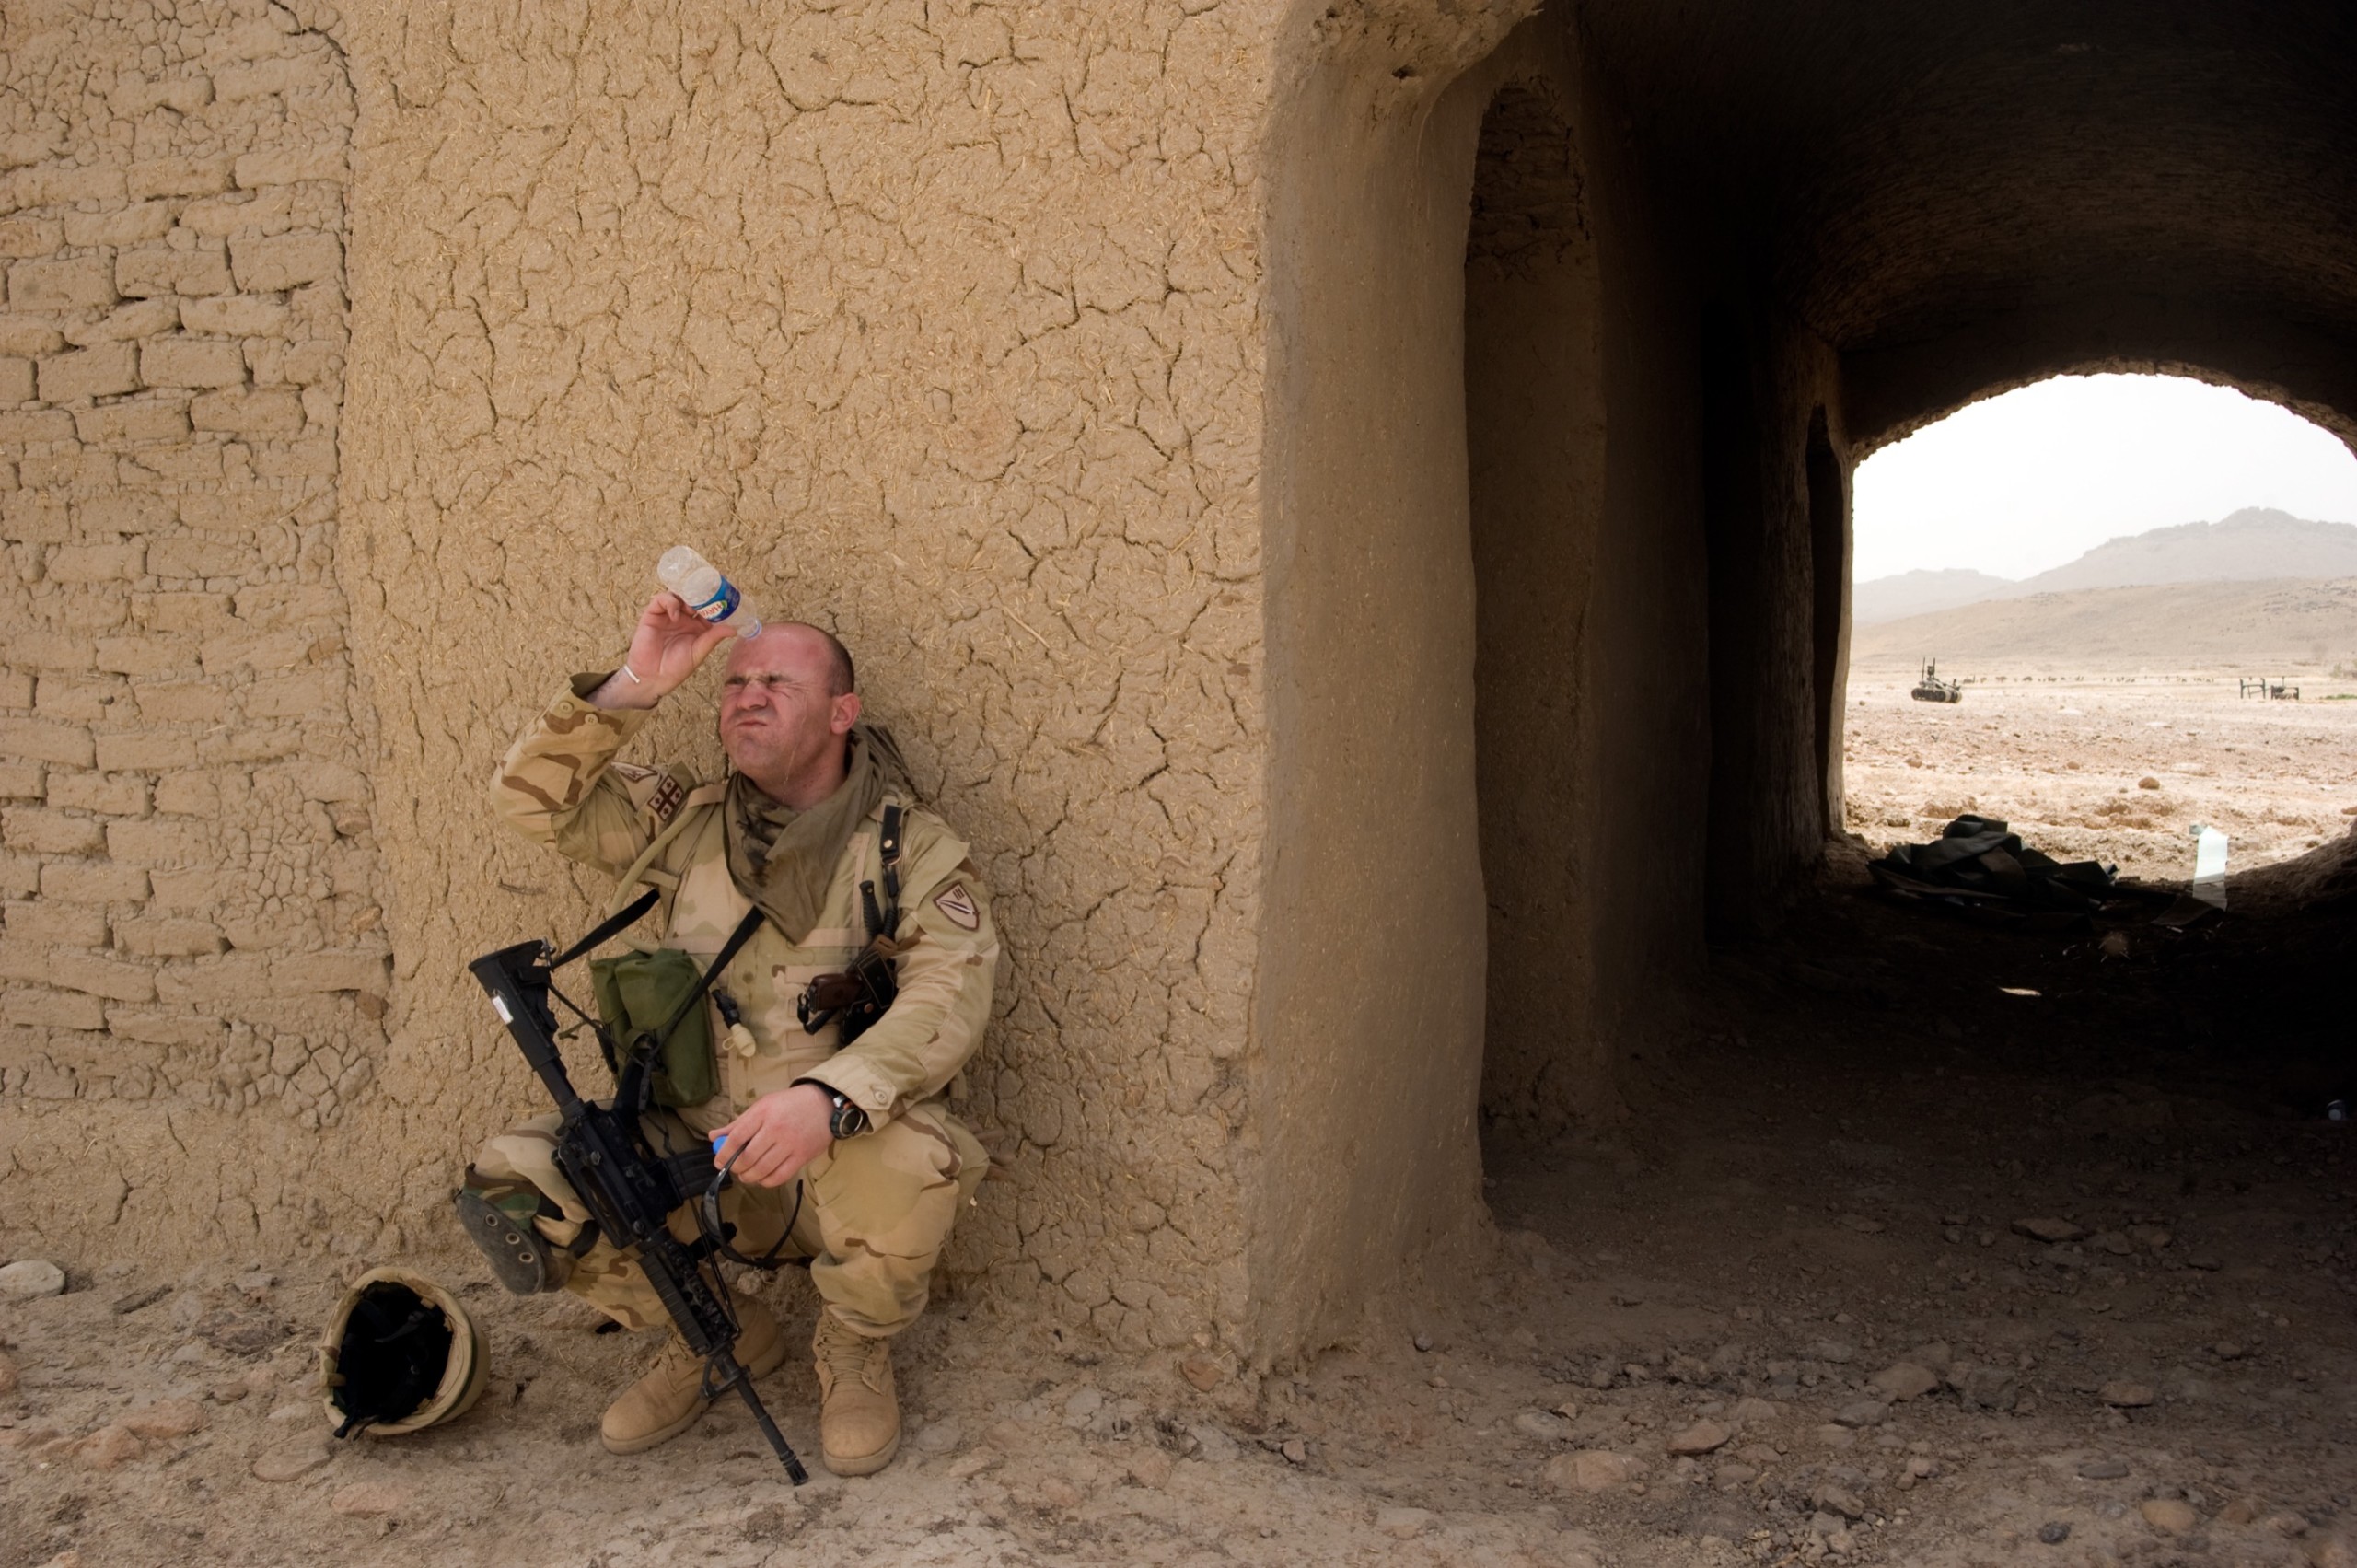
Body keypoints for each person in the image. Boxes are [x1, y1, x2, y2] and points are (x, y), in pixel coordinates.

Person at [456, 591, 997, 1475]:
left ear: (842, 712)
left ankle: (855, 1345)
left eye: (777, 683)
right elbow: (529, 802)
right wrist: (638, 679)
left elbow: (950, 996)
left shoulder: (908, 851)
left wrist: (827, 1099)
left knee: (917, 1158)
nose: (748, 696)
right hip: (698, 1156)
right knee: (522, 1179)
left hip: (834, 1164)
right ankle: (711, 1328)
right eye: (735, 683)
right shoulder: (685, 821)